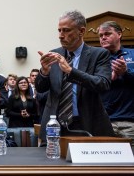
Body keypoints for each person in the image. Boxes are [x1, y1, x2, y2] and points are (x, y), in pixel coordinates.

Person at [35, 10, 114, 144]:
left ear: (81, 31)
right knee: (50, 164)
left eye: (66, 30)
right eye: (59, 30)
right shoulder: (54, 54)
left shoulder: (99, 54)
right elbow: (40, 88)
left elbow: (102, 84)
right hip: (54, 124)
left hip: (86, 124)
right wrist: (44, 72)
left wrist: (71, 71)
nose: (61, 35)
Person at [98, 21, 134, 148]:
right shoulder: (95, 58)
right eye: (101, 35)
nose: (103, 37)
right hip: (103, 122)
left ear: (119, 34)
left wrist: (125, 72)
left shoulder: (132, 54)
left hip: (129, 122)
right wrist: (107, 78)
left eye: (107, 34)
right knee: (103, 165)